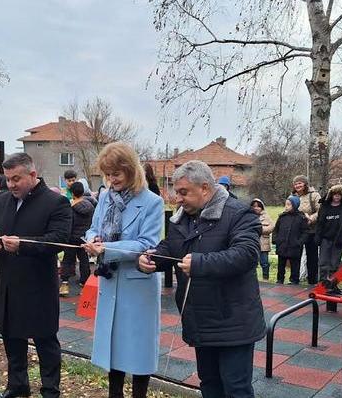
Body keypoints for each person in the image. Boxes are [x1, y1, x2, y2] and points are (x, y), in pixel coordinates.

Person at [137, 160, 265, 398]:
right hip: (200, 319)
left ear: (205, 188)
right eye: (177, 192)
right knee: (209, 384)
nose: (178, 198)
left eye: (183, 192)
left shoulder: (239, 213)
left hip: (233, 321)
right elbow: (172, 247)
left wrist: (200, 263)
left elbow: (247, 254)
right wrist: (151, 259)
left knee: (236, 387)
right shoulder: (182, 217)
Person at [0, 153, 72, 398]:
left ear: (32, 175)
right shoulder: (1, 199)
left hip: (38, 284)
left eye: (16, 179)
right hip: (8, 281)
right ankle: (17, 386)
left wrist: (23, 245)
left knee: (45, 340)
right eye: (8, 179)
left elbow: (58, 240)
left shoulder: (56, 202)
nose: (11, 184)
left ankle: (50, 391)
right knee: (11, 337)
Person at [81, 142, 164, 398]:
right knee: (113, 345)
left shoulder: (152, 202)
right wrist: (93, 239)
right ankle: (114, 394)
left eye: (116, 173)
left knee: (139, 348)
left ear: (131, 170)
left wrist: (105, 248)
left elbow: (146, 243)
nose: (111, 179)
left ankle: (139, 394)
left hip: (138, 284)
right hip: (110, 278)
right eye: (107, 174)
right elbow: (93, 227)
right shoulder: (104, 196)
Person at [315, 185, 342, 295]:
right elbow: (319, 222)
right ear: (331, 195)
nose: (336, 197)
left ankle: (333, 285)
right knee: (323, 262)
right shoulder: (325, 207)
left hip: (338, 240)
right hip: (325, 238)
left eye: (339, 195)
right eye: (334, 194)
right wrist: (318, 236)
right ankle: (322, 284)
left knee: (334, 263)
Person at [60, 181, 93, 293]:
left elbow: (69, 224)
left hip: (72, 237)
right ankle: (84, 281)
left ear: (72, 192)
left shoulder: (70, 207)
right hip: (85, 237)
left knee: (68, 259)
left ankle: (64, 282)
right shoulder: (90, 206)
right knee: (84, 260)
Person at [292, 175, 321, 285]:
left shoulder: (314, 195)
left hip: (311, 231)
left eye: (300, 183)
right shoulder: (292, 196)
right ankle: (295, 278)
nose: (297, 185)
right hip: (297, 231)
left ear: (305, 183)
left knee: (312, 256)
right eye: (295, 184)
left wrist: (311, 219)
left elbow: (321, 210)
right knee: (295, 255)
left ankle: (312, 280)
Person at [273, 196, 308, 284]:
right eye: (286, 204)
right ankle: (280, 279)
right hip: (282, 245)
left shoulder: (301, 218)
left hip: (294, 246)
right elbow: (276, 229)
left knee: (295, 264)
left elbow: (306, 232)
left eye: (289, 205)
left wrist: (299, 242)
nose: (286, 206)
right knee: (281, 265)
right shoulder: (282, 217)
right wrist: (276, 240)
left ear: (295, 205)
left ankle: (294, 280)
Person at [250, 198, 274, 280]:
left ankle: (265, 278)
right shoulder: (249, 216)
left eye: (258, 206)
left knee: (264, 263)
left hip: (263, 244)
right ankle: (253, 279)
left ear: (262, 207)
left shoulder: (266, 216)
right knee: (252, 263)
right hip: (252, 244)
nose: (256, 208)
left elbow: (271, 227)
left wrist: (260, 230)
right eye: (254, 206)